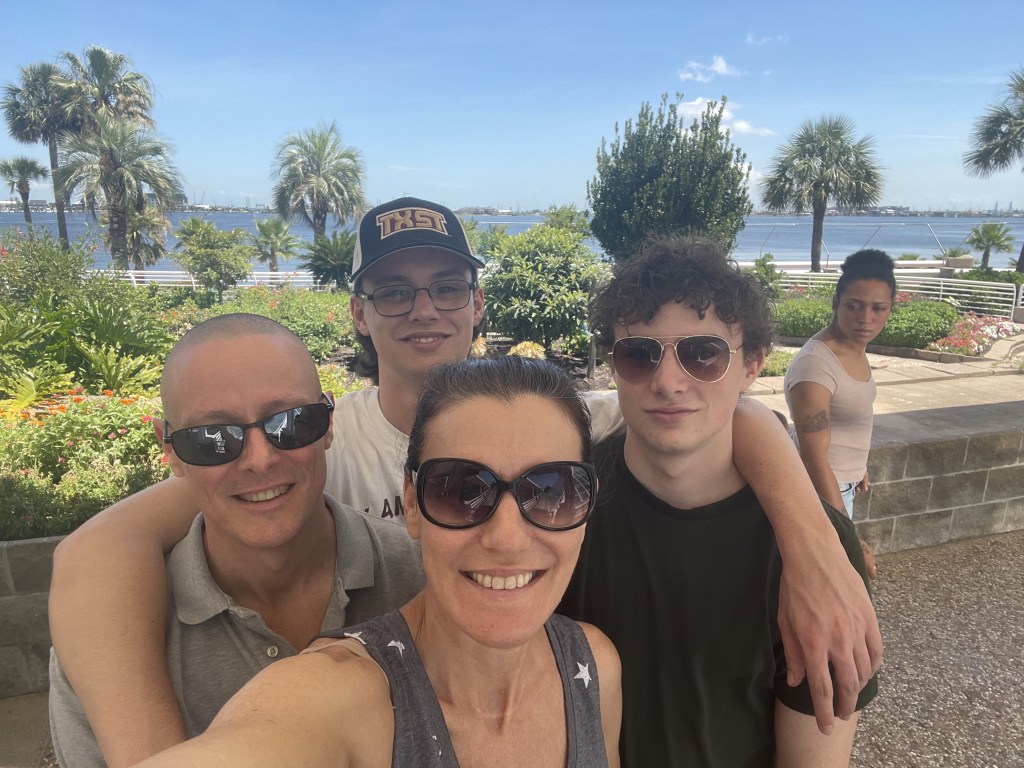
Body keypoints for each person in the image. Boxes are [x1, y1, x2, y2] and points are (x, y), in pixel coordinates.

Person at [48, 197, 880, 765]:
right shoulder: (307, 442)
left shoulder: (555, 423)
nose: (507, 528)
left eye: (548, 492)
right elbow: (113, 539)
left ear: (477, 303)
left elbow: (706, 414)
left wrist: (813, 537)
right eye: (456, 489)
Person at [135, 356, 623, 767]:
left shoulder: (593, 664)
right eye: (460, 490)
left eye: (552, 492)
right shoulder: (341, 696)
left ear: (586, 507)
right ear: (411, 503)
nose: (508, 538)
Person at [48, 315, 424, 767]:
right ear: (170, 450)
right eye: (213, 438)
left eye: (289, 423)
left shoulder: (421, 579)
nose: (260, 460)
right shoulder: (114, 631)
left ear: (327, 424)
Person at [560, 237, 878, 767]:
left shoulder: (815, 550)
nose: (666, 381)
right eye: (638, 354)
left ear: (751, 365)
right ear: (613, 365)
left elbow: (815, 754)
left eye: (702, 354)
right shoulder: (561, 507)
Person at [784, 249, 897, 576]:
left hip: (842, 483)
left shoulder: (853, 349)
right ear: (836, 303)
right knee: (836, 581)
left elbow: (851, 414)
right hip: (819, 492)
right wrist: (850, 536)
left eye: (878, 308)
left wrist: (857, 466)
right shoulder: (816, 366)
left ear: (891, 308)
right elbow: (813, 457)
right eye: (854, 306)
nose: (866, 318)